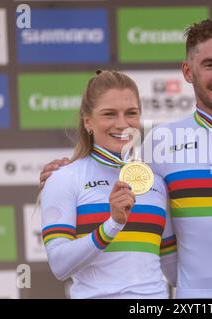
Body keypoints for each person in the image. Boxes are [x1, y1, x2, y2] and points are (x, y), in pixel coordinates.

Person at [41, 18, 212, 299]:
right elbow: (115, 177)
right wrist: (65, 173)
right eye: (210, 64)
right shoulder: (162, 141)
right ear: (188, 71)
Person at [40, 70, 177, 298]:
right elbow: (59, 265)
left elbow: (173, 269)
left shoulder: (156, 180)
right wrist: (112, 224)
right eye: (109, 114)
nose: (122, 124)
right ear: (88, 121)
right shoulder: (63, 178)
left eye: (131, 113)